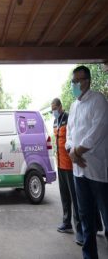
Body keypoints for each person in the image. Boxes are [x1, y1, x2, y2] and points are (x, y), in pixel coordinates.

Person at [66, 65, 108, 259]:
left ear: (87, 81)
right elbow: (69, 135)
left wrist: (76, 152)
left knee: (106, 219)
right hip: (78, 172)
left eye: (77, 81)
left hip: (97, 172)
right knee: (86, 219)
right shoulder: (74, 106)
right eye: (72, 81)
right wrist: (71, 152)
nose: (73, 84)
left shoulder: (98, 100)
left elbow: (96, 132)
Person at [51, 98, 83, 245]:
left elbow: (74, 138)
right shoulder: (55, 121)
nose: (53, 111)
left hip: (70, 165)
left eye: (55, 108)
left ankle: (80, 230)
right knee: (64, 196)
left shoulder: (68, 117)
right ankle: (66, 223)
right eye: (52, 109)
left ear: (60, 107)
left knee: (75, 199)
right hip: (60, 165)